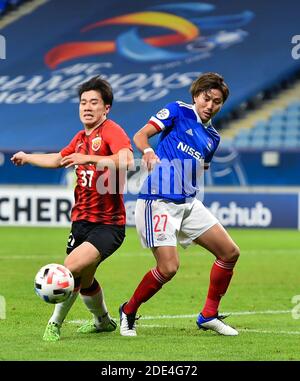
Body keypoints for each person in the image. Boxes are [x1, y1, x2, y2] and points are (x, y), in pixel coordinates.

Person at [11, 76, 133, 341]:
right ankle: (103, 322)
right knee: (84, 280)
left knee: (69, 268)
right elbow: (58, 159)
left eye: (93, 102)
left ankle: (54, 323)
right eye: (83, 102)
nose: (87, 107)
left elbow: (126, 160)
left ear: (106, 108)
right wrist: (28, 156)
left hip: (108, 224)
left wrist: (88, 157)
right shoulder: (79, 137)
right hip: (81, 222)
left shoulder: (111, 131)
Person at [119, 72, 240, 337]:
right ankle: (128, 311)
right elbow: (141, 135)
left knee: (230, 253)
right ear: (196, 95)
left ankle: (208, 315)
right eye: (206, 98)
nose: (210, 105)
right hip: (158, 201)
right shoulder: (177, 110)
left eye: (217, 102)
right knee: (168, 268)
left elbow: (200, 170)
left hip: (187, 203)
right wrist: (148, 151)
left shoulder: (213, 138)